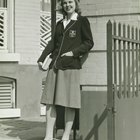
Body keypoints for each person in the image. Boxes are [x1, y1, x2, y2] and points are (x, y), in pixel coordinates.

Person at [38, 0, 94, 140]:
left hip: (71, 67)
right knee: (50, 102)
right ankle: (49, 136)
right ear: (61, 6)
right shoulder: (59, 24)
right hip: (55, 66)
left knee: (70, 103)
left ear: (76, 3)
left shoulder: (81, 21)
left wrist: (73, 53)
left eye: (70, 2)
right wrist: (41, 58)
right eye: (65, 3)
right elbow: (52, 43)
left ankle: (65, 136)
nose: (68, 5)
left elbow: (89, 43)